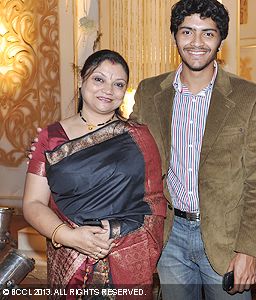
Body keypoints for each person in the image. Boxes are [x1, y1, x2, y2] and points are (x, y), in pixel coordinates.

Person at [130, 0, 256, 299]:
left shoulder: (250, 97)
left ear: (221, 40)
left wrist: (248, 250)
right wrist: (66, 144)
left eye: (208, 33)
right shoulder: (149, 92)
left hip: (226, 240)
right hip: (170, 237)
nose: (196, 42)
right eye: (187, 32)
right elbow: (125, 151)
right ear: (175, 36)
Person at [23, 49, 166, 299]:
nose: (108, 90)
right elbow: (33, 203)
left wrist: (117, 234)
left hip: (124, 257)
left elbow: (154, 204)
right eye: (99, 79)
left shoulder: (138, 136)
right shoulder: (50, 138)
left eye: (118, 84)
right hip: (70, 259)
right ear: (82, 81)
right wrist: (69, 236)